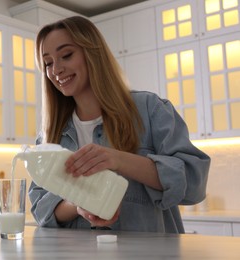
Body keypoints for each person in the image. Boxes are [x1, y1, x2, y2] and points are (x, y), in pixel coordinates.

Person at [28, 16, 211, 233]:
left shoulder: (149, 109)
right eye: (48, 63)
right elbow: (39, 207)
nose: (56, 69)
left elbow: (193, 185)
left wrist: (117, 159)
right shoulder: (50, 135)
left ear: (92, 54)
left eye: (66, 55)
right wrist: (78, 206)